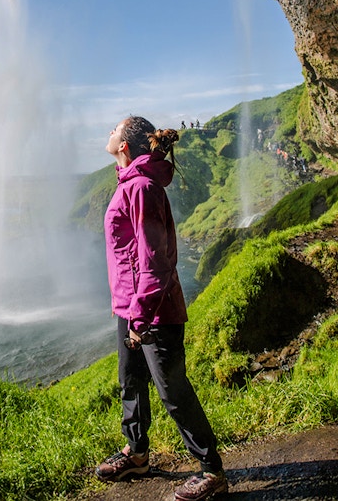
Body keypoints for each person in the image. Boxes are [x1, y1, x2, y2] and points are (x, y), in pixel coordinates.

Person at [95, 116, 227, 501]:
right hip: (130, 307)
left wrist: (140, 314)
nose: (109, 132)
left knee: (172, 390)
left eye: (114, 129)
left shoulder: (141, 187)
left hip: (153, 311)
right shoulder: (129, 184)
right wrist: (128, 311)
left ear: (125, 145)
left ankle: (211, 469)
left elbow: (157, 261)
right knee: (131, 382)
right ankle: (136, 454)